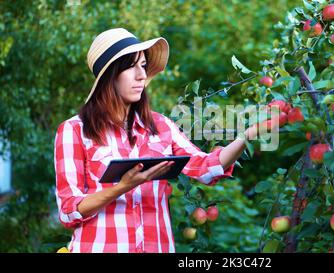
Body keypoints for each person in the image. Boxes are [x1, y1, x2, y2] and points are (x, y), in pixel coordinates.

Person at [54, 28, 259, 253]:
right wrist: (122, 187)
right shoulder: (74, 130)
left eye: (143, 65)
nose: (141, 75)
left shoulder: (160, 126)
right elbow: (68, 210)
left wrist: (250, 133)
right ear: (109, 75)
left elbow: (207, 167)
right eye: (132, 66)